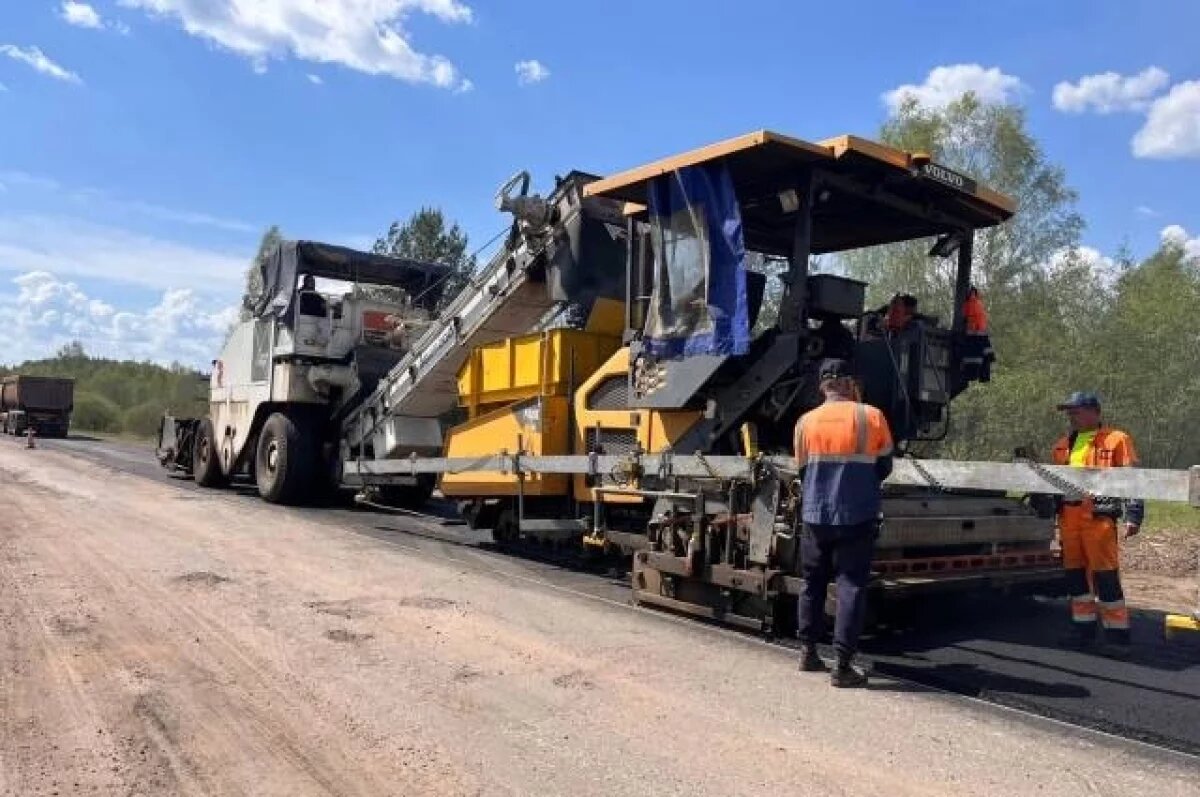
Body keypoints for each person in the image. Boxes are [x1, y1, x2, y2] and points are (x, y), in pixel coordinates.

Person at [794, 358, 895, 687]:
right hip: (857, 513)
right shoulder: (871, 416)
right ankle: (843, 665)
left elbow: (803, 470)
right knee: (850, 585)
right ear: (849, 383)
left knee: (812, 583)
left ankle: (808, 653)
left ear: (822, 386)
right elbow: (885, 465)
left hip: (815, 514)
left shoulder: (805, 422)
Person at [1051, 391, 1143, 656]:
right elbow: (1052, 484)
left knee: (1106, 578)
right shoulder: (1061, 445)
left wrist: (1133, 514)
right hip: (1068, 519)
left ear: (1094, 412)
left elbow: (1133, 479)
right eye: (1069, 412)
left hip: (1098, 520)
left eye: (1076, 411)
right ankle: (1083, 632)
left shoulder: (1117, 440)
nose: (1071, 416)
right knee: (1075, 578)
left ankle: (1117, 638)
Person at [961, 286, 995, 382]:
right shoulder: (978, 303)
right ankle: (982, 376)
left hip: (973, 335)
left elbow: (966, 318)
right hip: (981, 335)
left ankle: (973, 374)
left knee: (973, 359)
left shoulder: (969, 304)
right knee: (986, 356)